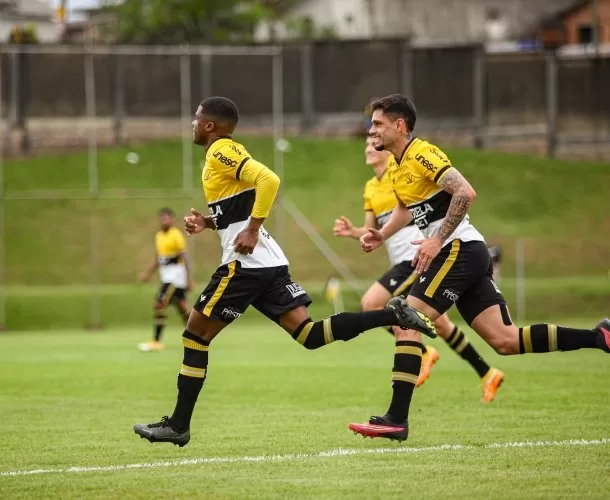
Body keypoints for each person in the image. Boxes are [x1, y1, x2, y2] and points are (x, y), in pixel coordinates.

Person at [133, 96, 436, 447]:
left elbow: (269, 180)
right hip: (268, 262)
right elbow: (238, 207)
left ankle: (178, 425)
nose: (193, 124)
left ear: (210, 125)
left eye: (197, 119)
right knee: (309, 334)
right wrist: (208, 222)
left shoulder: (220, 151)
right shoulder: (223, 155)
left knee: (195, 335)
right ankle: (392, 315)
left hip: (245, 264)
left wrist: (252, 230)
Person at [349, 93, 610, 442]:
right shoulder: (396, 167)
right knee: (505, 340)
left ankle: (396, 419)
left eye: (378, 124)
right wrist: (381, 235)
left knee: (405, 319)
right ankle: (599, 336)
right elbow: (406, 209)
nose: (371, 130)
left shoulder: (422, 153)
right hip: (465, 253)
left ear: (399, 126)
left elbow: (465, 192)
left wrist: (436, 240)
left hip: (458, 250)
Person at [334, 137, 504, 402]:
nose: (369, 147)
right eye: (366, 144)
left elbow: (417, 209)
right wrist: (353, 232)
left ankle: (423, 354)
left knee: (371, 304)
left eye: (374, 142)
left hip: (416, 258)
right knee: (441, 324)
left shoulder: (403, 172)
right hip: (401, 262)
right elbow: (373, 229)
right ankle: (487, 372)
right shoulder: (370, 188)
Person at [137, 207, 192, 352]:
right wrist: (147, 274)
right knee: (182, 307)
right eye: (162, 218)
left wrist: (188, 279)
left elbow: (185, 258)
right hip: (166, 277)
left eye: (167, 218)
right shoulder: (159, 236)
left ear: (172, 219)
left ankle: (156, 341)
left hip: (175, 278)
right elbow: (159, 259)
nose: (164, 221)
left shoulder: (176, 235)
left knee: (159, 304)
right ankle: (197, 336)